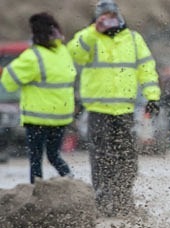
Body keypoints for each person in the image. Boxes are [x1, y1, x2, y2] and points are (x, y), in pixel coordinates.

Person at [67, 0, 160, 215]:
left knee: (127, 157)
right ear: (97, 18)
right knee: (100, 157)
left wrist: (152, 96)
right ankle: (103, 201)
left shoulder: (134, 39)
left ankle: (123, 199)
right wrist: (93, 30)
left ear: (119, 16)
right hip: (98, 110)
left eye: (112, 15)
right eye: (104, 16)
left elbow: (147, 68)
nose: (109, 20)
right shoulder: (89, 38)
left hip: (125, 111)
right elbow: (74, 54)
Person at [1, 13, 76, 184]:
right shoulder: (63, 52)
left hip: (38, 117)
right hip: (61, 116)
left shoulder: (33, 56)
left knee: (35, 159)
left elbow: (9, 81)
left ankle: (36, 194)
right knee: (54, 155)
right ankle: (72, 183)